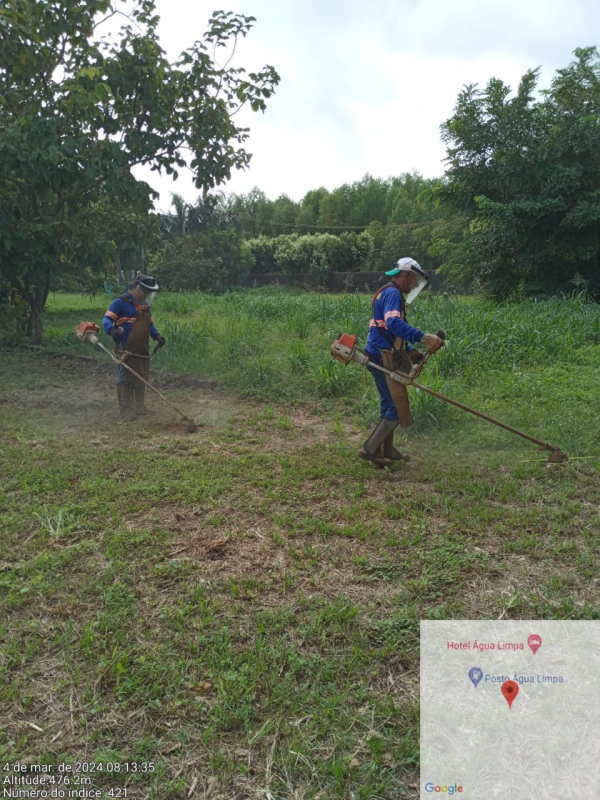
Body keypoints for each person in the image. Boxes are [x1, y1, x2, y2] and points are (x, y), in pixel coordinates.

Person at [359, 258, 444, 467]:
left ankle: (386, 449)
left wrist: (411, 352)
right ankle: (370, 449)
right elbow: (393, 323)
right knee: (396, 408)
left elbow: (391, 332)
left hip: (381, 352)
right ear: (406, 275)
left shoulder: (390, 292)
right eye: (414, 280)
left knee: (388, 404)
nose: (414, 286)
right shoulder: (393, 293)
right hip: (381, 356)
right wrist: (423, 337)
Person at [102, 275, 166, 419]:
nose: (146, 295)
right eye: (145, 292)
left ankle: (139, 407)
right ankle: (125, 411)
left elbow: (150, 324)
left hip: (142, 350)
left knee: (141, 376)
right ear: (136, 287)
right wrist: (112, 331)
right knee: (125, 377)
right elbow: (106, 319)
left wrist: (156, 336)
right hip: (126, 350)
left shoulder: (145, 306)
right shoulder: (120, 302)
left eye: (149, 293)